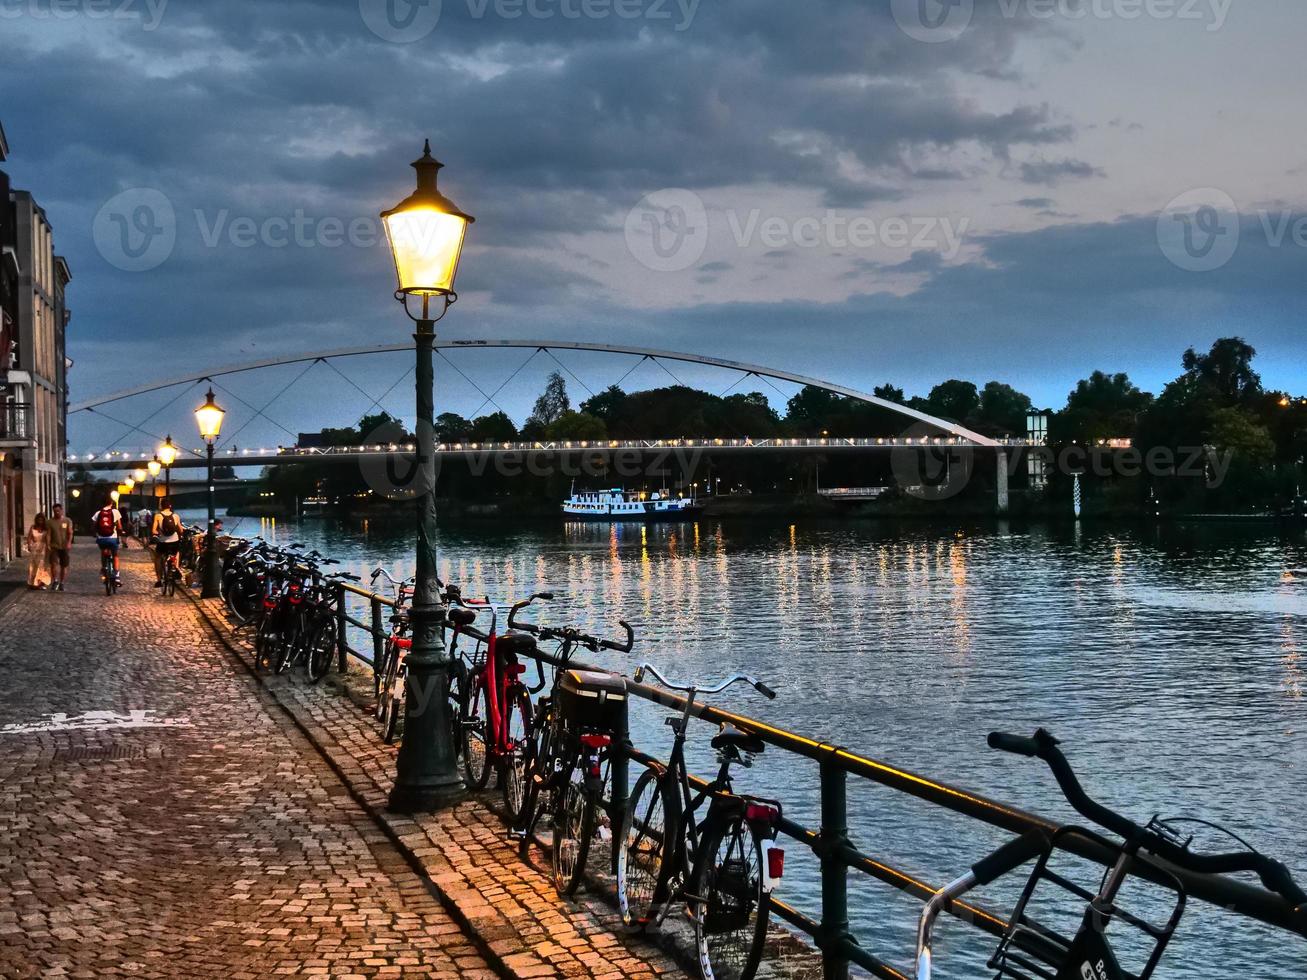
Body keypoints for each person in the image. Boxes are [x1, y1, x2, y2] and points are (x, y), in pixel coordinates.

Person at [92, 494, 127, 585]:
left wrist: (96, 534)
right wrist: (121, 532)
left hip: (101, 539)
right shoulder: (115, 512)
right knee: (115, 555)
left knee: (103, 552)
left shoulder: (98, 513)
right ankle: (117, 577)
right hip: (112, 538)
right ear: (111, 502)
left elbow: (94, 526)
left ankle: (104, 568)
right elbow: (119, 526)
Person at [152, 497, 182, 587]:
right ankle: (176, 567)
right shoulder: (176, 516)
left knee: (157, 557)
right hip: (174, 541)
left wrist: (159, 533)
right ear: (170, 506)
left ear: (161, 506)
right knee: (176, 552)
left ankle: (159, 580)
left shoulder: (158, 516)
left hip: (163, 542)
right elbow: (180, 530)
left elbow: (153, 531)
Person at [47, 503, 74, 592]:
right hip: (54, 546)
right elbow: (49, 534)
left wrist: (69, 542)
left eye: (58, 511)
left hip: (64, 546)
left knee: (64, 565)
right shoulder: (50, 522)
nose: (57, 513)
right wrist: (48, 544)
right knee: (54, 564)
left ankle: (62, 582)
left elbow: (70, 532)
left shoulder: (67, 521)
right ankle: (55, 581)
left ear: (61, 510)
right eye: (55, 511)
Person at [25, 512, 51, 590]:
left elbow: (48, 539)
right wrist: (29, 545)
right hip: (34, 548)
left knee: (41, 566)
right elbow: (29, 537)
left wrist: (49, 547)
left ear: (44, 520)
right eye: (39, 520)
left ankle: (40, 582)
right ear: (36, 520)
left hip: (43, 548)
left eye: (42, 520)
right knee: (33, 565)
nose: (40, 521)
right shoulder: (33, 527)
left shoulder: (46, 529)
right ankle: (32, 582)